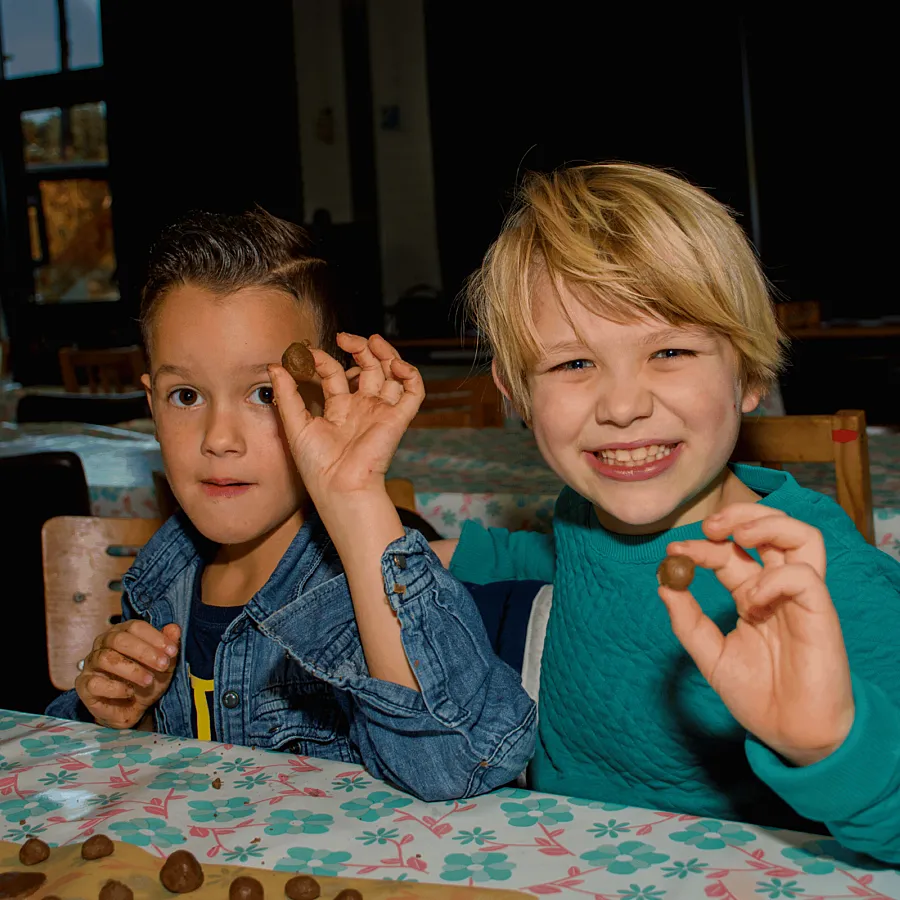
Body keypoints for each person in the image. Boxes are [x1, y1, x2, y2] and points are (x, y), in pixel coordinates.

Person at [433, 163, 900, 862]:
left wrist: (829, 741)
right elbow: (570, 556)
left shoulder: (830, 591)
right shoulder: (587, 512)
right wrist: (440, 554)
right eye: (573, 365)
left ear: (748, 375)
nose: (622, 406)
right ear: (516, 393)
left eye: (670, 351)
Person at [46, 209, 536, 802]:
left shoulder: (363, 588)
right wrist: (124, 711)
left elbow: (455, 766)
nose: (218, 437)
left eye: (261, 394)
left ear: (329, 397)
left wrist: (357, 501)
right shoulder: (161, 574)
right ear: (151, 404)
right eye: (186, 395)